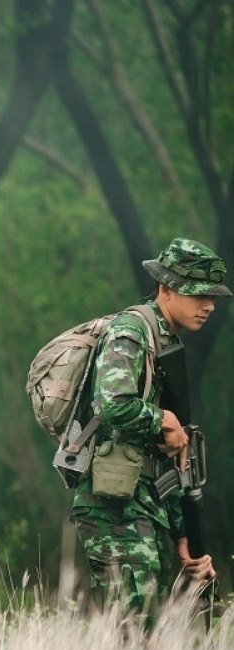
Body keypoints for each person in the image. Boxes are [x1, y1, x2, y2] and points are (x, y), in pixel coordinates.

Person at [70, 238, 229, 620]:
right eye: (198, 294)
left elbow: (165, 461)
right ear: (167, 289)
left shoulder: (166, 343)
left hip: (141, 503)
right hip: (113, 505)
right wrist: (163, 420)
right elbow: (111, 402)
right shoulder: (132, 331)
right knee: (132, 624)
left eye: (213, 297)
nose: (209, 306)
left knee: (145, 625)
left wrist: (183, 535)